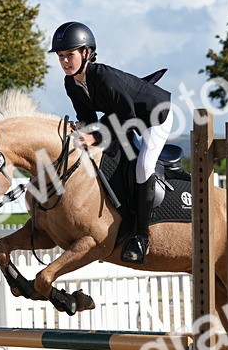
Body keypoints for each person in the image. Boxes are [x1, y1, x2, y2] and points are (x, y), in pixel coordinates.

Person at [50, 21, 173, 265]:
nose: (64, 61)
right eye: (61, 56)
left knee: (143, 167)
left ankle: (141, 237)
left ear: (86, 53)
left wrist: (95, 137)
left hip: (154, 115)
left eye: (70, 54)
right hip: (122, 117)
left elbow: (128, 118)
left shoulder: (104, 77)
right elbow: (88, 117)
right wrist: (81, 130)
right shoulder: (70, 83)